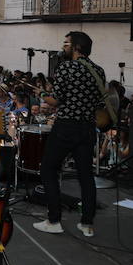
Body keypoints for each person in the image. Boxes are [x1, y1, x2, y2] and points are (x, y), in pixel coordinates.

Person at [33, 31, 104, 238]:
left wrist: (43, 95)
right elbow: (97, 102)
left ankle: (54, 220)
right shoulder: (98, 71)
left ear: (76, 47)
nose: (63, 46)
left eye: (66, 43)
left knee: (48, 169)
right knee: (85, 176)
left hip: (66, 127)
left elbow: (56, 101)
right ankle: (87, 223)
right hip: (87, 128)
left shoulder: (65, 68)